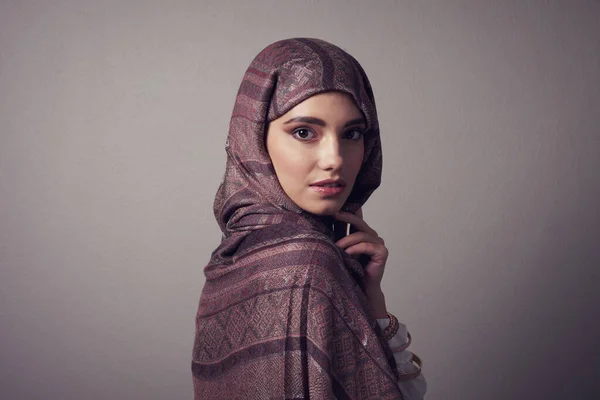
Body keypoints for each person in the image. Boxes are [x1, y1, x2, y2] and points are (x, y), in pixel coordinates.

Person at [192, 38, 427, 399]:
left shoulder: (240, 253)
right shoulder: (309, 262)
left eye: (352, 133)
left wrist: (369, 297)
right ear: (253, 138)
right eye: (304, 132)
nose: (334, 159)